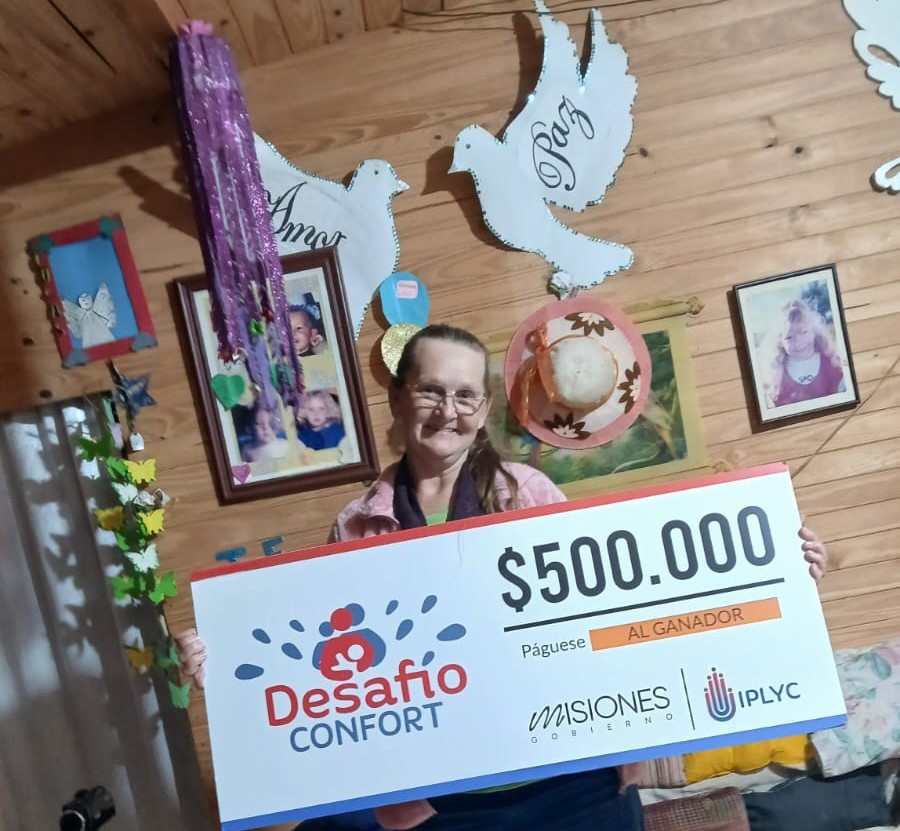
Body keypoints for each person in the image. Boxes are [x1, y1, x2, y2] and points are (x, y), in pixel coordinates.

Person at [178, 324, 829, 831]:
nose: (447, 409)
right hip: (445, 803)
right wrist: (227, 663)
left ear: (484, 407)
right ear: (398, 397)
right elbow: (333, 665)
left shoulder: (530, 493)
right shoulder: (358, 524)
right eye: (430, 390)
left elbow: (624, 609)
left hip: (577, 782)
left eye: (465, 395)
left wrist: (781, 571)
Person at [764, 298, 845, 407]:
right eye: (789, 337)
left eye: (803, 332)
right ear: (780, 341)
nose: (798, 342)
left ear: (814, 331)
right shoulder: (776, 377)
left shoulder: (833, 362)